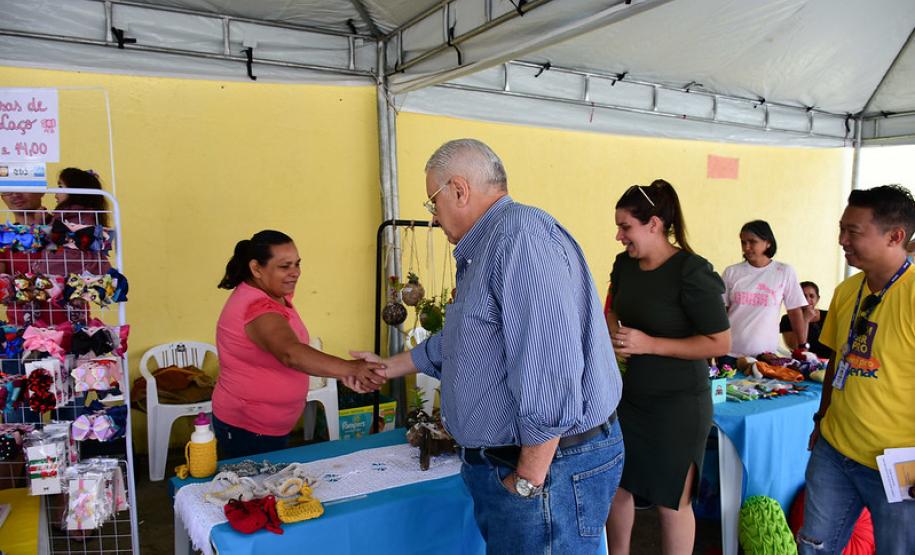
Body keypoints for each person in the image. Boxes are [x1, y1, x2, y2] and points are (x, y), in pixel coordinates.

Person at [351, 139, 623, 554]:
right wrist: (388, 367)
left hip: (545, 468)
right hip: (522, 466)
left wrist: (528, 481)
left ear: (459, 190)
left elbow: (547, 367)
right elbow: (464, 342)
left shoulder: (521, 240)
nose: (434, 215)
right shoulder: (489, 246)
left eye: (432, 202)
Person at [604, 179, 731, 555]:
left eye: (625, 226)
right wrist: (614, 334)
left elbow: (720, 343)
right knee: (618, 487)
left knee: (671, 500)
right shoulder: (624, 266)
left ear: (654, 224)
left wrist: (649, 344)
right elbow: (610, 310)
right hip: (631, 399)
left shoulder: (692, 271)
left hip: (678, 406)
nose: (618, 236)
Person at [799, 185, 915, 554]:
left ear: (895, 236)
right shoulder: (849, 289)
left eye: (853, 231)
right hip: (834, 451)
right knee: (814, 547)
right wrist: (822, 419)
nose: (841, 240)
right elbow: (838, 360)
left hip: (898, 466)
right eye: (841, 228)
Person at [213, 230, 385, 459]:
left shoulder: (271, 295)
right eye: (285, 267)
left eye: (297, 264)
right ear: (256, 269)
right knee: (253, 490)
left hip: (266, 426)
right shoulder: (257, 309)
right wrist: (351, 368)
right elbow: (290, 353)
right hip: (249, 429)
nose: (295, 273)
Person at [721, 220, 808, 360]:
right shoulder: (731, 272)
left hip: (766, 356)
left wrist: (803, 345)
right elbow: (721, 311)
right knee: (724, 383)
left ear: (768, 243)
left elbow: (794, 311)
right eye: (743, 242)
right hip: (729, 353)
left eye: (752, 242)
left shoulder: (784, 272)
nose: (746, 247)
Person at [780, 281, 831, 359]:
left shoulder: (828, 316)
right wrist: (805, 320)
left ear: (817, 299)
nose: (807, 299)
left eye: (811, 296)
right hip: (802, 362)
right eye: (803, 296)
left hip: (828, 362)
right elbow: (794, 346)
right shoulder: (787, 319)